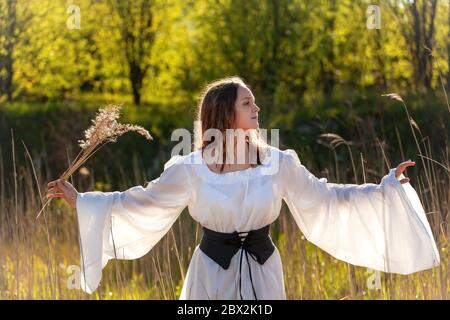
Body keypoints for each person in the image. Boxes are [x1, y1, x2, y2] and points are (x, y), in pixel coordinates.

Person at [47, 76, 440, 299]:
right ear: (225, 114)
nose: (257, 109)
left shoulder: (279, 163)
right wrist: (82, 200)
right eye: (248, 103)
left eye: (255, 103)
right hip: (209, 278)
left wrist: (385, 187)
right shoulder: (190, 169)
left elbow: (328, 198)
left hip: (264, 273)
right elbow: (142, 202)